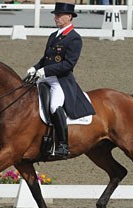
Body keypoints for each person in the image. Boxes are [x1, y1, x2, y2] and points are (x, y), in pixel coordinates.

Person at [27, 2, 95, 159]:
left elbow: (68, 64)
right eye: (55, 15)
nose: (56, 18)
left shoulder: (74, 38)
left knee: (54, 106)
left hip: (60, 81)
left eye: (59, 15)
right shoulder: (53, 36)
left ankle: (63, 145)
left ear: (69, 17)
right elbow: (46, 58)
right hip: (46, 77)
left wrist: (45, 70)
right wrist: (35, 67)